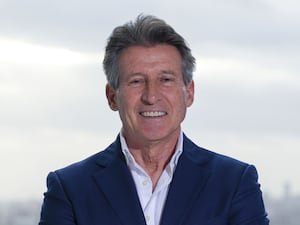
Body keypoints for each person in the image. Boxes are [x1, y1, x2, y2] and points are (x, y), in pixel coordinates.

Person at [38, 14, 269, 225]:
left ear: (189, 93)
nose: (151, 96)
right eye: (136, 81)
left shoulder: (235, 183)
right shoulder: (70, 189)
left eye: (166, 80)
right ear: (112, 97)